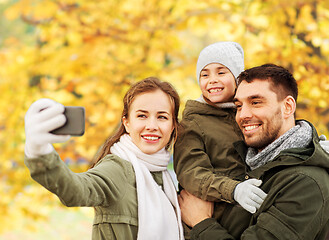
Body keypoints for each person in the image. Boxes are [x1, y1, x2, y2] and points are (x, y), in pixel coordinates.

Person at [178, 64, 329, 240]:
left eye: (256, 102)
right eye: (239, 106)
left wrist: (200, 223)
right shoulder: (251, 161)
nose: (242, 115)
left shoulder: (306, 183)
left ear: (287, 107)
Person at [24, 77, 184, 240]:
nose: (152, 125)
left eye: (162, 117)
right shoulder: (117, 169)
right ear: (127, 123)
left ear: (172, 126)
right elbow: (76, 190)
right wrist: (39, 151)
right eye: (142, 116)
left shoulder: (167, 178)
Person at [173, 41, 267, 237]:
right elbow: (191, 173)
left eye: (221, 72)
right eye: (204, 74)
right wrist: (233, 190)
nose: (212, 80)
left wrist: (311, 143)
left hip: (250, 219)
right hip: (212, 222)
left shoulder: (245, 113)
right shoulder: (193, 122)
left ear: (237, 77)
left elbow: (276, 131)